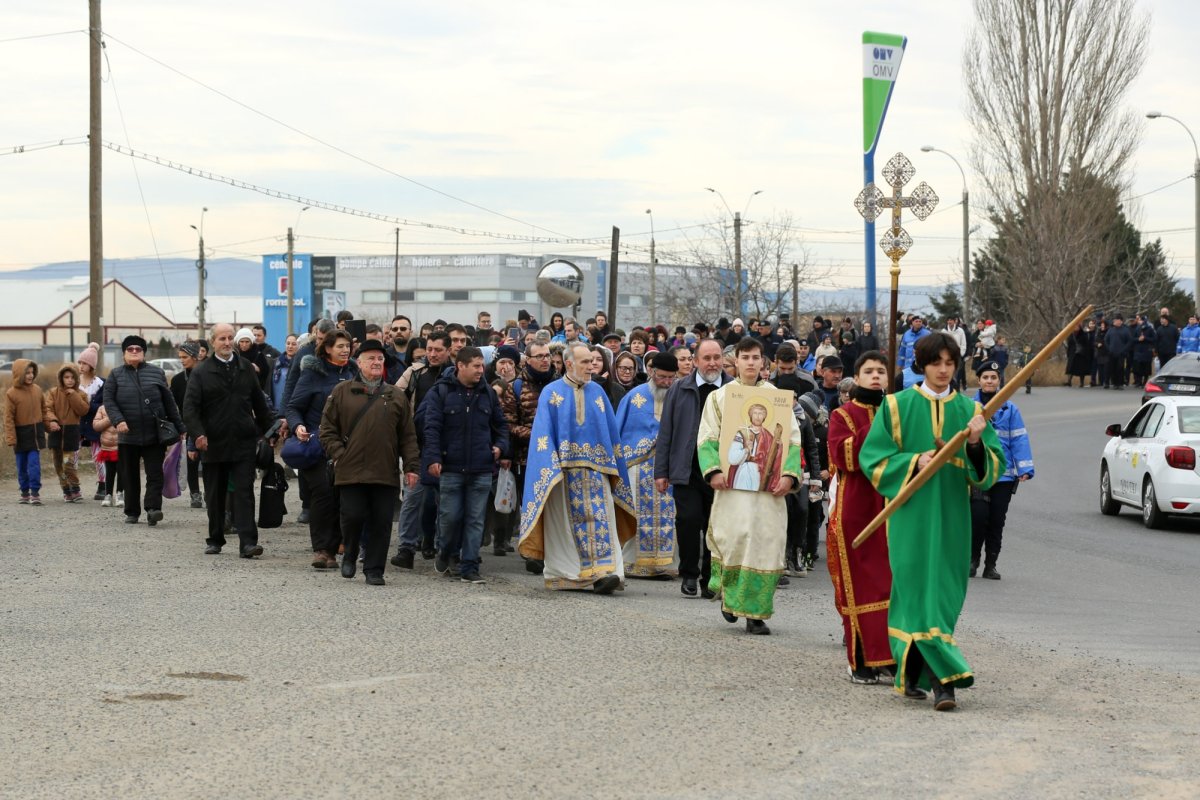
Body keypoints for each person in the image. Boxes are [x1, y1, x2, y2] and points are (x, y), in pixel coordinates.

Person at [859, 332, 1005, 710]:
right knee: (912, 593)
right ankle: (944, 683)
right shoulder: (896, 406)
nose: (943, 370)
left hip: (953, 517)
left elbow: (989, 471)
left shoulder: (971, 412)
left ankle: (912, 672)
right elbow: (872, 459)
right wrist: (913, 462)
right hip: (909, 516)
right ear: (921, 365)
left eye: (949, 363)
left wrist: (975, 444)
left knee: (942, 595)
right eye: (935, 362)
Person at [696, 337, 803, 634]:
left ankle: (755, 615)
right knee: (735, 539)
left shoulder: (778, 398)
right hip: (734, 486)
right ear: (737, 361)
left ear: (763, 362)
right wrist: (714, 471)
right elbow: (707, 438)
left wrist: (789, 475)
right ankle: (730, 597)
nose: (751, 363)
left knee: (765, 543)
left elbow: (793, 440)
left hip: (768, 491)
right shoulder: (720, 397)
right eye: (745, 357)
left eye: (756, 357)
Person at [517, 342, 637, 594]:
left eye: (593, 361)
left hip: (598, 471)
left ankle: (607, 573)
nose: (591, 366)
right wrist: (550, 469)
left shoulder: (598, 393)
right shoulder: (552, 393)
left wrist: (614, 467)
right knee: (565, 526)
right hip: (564, 473)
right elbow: (543, 436)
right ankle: (571, 575)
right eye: (585, 362)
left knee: (600, 520)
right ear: (569, 363)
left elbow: (611, 434)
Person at [318, 340, 420, 586]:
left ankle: (375, 569)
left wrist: (411, 466)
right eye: (371, 358)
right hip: (349, 470)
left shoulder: (395, 395)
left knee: (381, 522)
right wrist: (339, 453)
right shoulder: (342, 391)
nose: (376, 363)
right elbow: (327, 430)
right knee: (352, 517)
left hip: (384, 471)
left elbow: (408, 435)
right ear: (359, 362)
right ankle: (350, 553)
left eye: (380, 359)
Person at [826, 350, 894, 684]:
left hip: (895, 508)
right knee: (860, 586)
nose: (877, 376)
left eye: (882, 370)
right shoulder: (843, 415)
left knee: (891, 584)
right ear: (857, 376)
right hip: (857, 507)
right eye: (869, 371)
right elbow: (845, 457)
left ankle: (891, 655)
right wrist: (880, 425)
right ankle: (861, 659)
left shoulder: (897, 411)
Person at [184, 323, 273, 557]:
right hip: (213, 442)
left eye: (230, 338)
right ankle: (215, 538)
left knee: (244, 492)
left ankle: (248, 543)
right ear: (212, 342)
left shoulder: (245, 368)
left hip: (243, 440)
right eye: (221, 338)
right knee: (215, 494)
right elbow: (190, 408)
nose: (226, 342)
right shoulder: (201, 372)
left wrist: (269, 432)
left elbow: (259, 403)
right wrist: (198, 434)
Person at [424, 346, 509, 584]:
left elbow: (501, 425)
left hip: (481, 468)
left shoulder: (488, 394)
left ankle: (469, 566)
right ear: (460, 366)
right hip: (450, 468)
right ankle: (446, 551)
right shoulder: (441, 391)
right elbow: (431, 428)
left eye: (482, 366)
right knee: (450, 517)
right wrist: (433, 458)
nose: (481, 371)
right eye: (476, 366)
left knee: (475, 520)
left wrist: (500, 446)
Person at [655, 338, 731, 599]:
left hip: (720, 472)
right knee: (687, 521)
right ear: (695, 361)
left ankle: (710, 576)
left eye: (717, 357)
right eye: (706, 358)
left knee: (716, 524)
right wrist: (661, 471)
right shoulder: (680, 388)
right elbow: (666, 431)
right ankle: (688, 572)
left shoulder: (733, 390)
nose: (712, 363)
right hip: (686, 467)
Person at [287, 328, 358, 569]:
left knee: (343, 496)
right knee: (323, 495)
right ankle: (321, 550)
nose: (345, 350)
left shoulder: (355, 373)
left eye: (347, 346)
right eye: (340, 346)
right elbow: (293, 407)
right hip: (316, 445)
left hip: (348, 446)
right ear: (327, 348)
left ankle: (338, 545)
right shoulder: (313, 374)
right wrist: (297, 426)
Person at [103, 336, 185, 526]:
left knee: (155, 474)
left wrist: (180, 427)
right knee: (129, 475)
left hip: (153, 433)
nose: (134, 351)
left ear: (144, 352)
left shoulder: (157, 373)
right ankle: (132, 511)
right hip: (127, 435)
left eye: (138, 349)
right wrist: (118, 420)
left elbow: (169, 402)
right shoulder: (115, 375)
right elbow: (109, 401)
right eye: (129, 349)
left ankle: (153, 509)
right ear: (123, 353)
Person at [614, 352, 678, 578]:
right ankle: (633, 562)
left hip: (669, 467)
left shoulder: (679, 395)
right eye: (662, 377)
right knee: (639, 513)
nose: (667, 382)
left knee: (669, 515)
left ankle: (666, 563)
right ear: (651, 372)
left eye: (671, 378)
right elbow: (621, 432)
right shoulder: (634, 397)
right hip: (637, 467)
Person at [392, 331, 453, 564]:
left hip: (445, 447)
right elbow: (395, 398)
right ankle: (406, 548)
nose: (433, 354)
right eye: (429, 349)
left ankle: (439, 546)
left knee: (443, 501)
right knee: (411, 498)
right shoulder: (415, 373)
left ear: (448, 351)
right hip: (416, 446)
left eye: (438, 350)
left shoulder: (455, 375)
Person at [970, 360, 1034, 580]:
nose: (990, 381)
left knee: (997, 521)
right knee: (978, 518)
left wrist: (1024, 468)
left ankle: (991, 565)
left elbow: (1019, 439)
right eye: (986, 377)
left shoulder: (1010, 409)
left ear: (999, 381)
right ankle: (973, 560)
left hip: (1004, 476)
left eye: (994, 378)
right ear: (979, 380)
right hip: (978, 473)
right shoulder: (970, 407)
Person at [499, 340, 555, 566]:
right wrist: (535, 435)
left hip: (557, 457)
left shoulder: (560, 384)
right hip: (527, 458)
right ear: (528, 360)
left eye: (547, 355)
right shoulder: (516, 387)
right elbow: (507, 423)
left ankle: (554, 553)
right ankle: (533, 553)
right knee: (530, 506)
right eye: (539, 356)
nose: (545, 360)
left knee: (553, 507)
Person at [6, 359, 52, 505]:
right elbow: (8, 418)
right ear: (19, 374)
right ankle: (25, 492)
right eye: (27, 373)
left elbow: (44, 411)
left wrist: (48, 426)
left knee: (34, 464)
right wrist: (11, 437)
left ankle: (35, 492)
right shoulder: (11, 394)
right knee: (21, 465)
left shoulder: (37, 390)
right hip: (20, 434)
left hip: (35, 434)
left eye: (32, 372)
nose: (30, 376)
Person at [45, 364, 91, 503]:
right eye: (66, 377)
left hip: (72, 431)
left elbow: (83, 411)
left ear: (77, 379)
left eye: (72, 377)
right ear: (61, 378)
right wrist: (52, 420)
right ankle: (66, 490)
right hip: (56, 431)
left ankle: (75, 489)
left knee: (68, 462)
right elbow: (47, 408)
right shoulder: (53, 393)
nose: (69, 380)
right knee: (58, 463)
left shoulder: (81, 394)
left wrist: (73, 395)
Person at [171, 341, 204, 508]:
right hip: (189, 425)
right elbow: (175, 405)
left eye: (185, 357)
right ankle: (195, 494)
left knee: (208, 461)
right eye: (180, 357)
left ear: (194, 357)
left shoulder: (207, 375)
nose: (182, 361)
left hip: (208, 425)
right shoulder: (177, 381)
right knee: (191, 461)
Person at [75, 343, 107, 501]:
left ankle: (103, 484)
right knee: (72, 454)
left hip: (94, 425)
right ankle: (72, 484)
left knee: (98, 456)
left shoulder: (101, 383)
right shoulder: (73, 382)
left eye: (85, 363)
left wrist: (87, 405)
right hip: (77, 424)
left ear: (92, 365)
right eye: (80, 362)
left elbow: (102, 405)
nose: (81, 366)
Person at [897, 315, 930, 388]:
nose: (918, 323)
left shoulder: (927, 334)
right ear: (912, 323)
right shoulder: (907, 334)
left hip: (923, 367)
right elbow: (902, 350)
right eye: (916, 321)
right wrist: (900, 364)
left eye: (920, 321)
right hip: (908, 366)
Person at [1104, 314, 1133, 390]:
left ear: (1120, 321)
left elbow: (1129, 341)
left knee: (1120, 368)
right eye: (1114, 320)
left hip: (1121, 353)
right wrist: (1109, 348)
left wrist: (1124, 350)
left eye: (1116, 320)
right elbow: (1106, 340)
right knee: (1111, 368)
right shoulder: (1111, 329)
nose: (1115, 321)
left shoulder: (1125, 330)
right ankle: (1114, 383)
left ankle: (1120, 383)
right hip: (1111, 352)